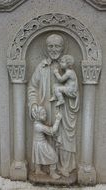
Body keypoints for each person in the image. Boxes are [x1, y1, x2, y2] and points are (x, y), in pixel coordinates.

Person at [28, 34, 79, 178]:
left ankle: (64, 167)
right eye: (51, 46)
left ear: (62, 48)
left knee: (64, 138)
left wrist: (70, 96)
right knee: (47, 139)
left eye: (57, 46)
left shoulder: (67, 67)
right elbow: (32, 87)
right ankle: (47, 168)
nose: (54, 49)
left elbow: (74, 89)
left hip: (64, 109)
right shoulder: (41, 67)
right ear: (46, 48)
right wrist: (33, 105)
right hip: (46, 111)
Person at [31, 105, 62, 179]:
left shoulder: (36, 124)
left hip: (37, 143)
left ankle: (38, 170)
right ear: (38, 116)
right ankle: (52, 173)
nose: (46, 115)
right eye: (43, 114)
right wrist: (58, 120)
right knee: (54, 156)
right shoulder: (39, 126)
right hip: (41, 144)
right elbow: (52, 131)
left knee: (37, 157)